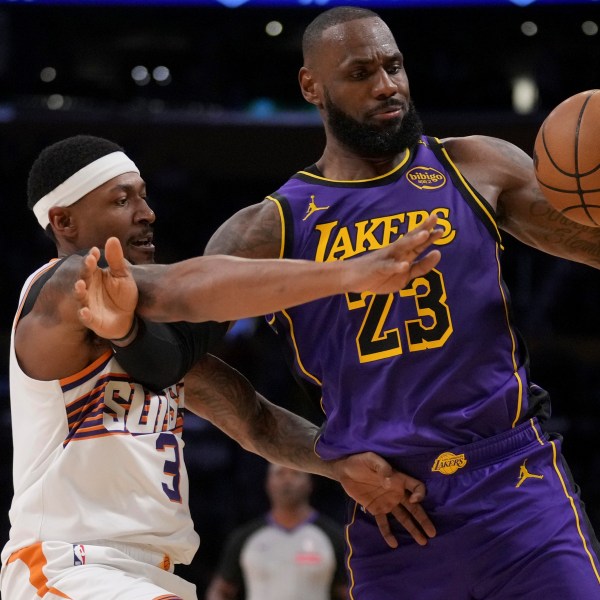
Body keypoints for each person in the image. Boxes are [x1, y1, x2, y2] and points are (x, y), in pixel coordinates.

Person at [197, 6, 600, 599]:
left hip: (516, 484)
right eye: (361, 73)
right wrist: (326, 461)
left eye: (394, 66)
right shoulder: (271, 227)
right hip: (395, 510)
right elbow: (177, 362)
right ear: (312, 86)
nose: (387, 86)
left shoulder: (473, 167)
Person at [0, 134, 442, 600]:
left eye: (144, 195)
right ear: (64, 220)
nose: (146, 213)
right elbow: (184, 289)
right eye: (122, 199)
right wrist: (349, 274)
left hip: (149, 574)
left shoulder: (147, 340)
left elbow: (252, 417)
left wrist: (339, 465)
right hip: (68, 565)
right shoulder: (62, 286)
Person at [205, 463, 347, 600]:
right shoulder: (245, 537)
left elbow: (349, 591)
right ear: (268, 483)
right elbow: (220, 590)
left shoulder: (333, 536)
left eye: (295, 473)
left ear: (310, 483)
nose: (287, 480)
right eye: (280, 473)